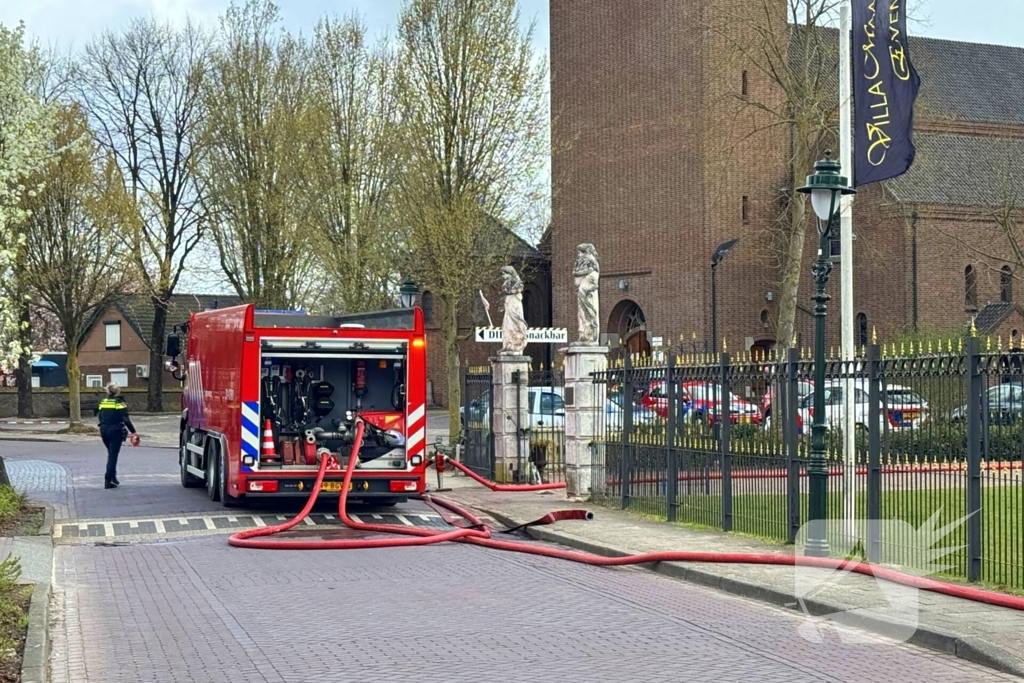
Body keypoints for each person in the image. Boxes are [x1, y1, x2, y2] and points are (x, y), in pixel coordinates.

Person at [97, 383, 139, 489]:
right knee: (113, 455)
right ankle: (108, 480)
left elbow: (100, 416)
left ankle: (113, 478)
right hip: (115, 430)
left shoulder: (104, 402)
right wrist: (133, 431)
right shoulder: (119, 403)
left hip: (104, 430)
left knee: (111, 453)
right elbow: (125, 418)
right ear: (117, 391)